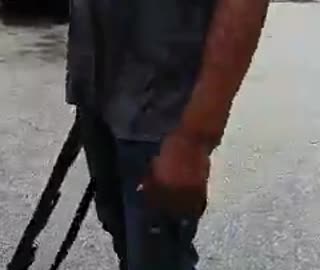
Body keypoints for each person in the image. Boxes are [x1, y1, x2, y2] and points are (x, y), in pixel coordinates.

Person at [65, 0, 270, 269]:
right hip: (100, 95)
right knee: (130, 246)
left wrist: (193, 138)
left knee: (158, 257)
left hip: (162, 112)